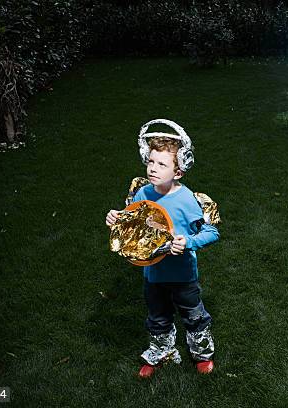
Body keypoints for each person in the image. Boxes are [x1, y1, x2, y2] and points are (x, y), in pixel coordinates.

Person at [105, 119, 219, 378]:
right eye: (151, 161)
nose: (153, 169)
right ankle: (161, 352)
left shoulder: (187, 200)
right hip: (153, 274)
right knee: (157, 318)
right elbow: (131, 222)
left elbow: (212, 232)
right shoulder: (142, 193)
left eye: (162, 164)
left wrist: (187, 242)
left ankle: (202, 354)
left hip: (183, 275)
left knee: (193, 315)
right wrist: (116, 218)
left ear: (179, 171)